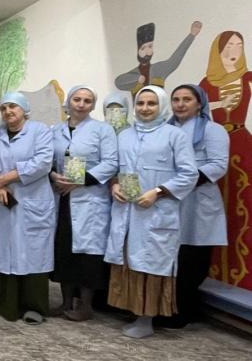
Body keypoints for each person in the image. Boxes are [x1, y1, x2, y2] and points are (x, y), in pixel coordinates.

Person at [105, 86, 197, 338]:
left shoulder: (174, 135)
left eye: (151, 104)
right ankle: (135, 314)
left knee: (150, 265)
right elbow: (114, 167)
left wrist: (157, 191)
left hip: (156, 213)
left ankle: (146, 321)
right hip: (126, 211)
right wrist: (114, 185)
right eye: (141, 103)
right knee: (129, 262)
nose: (145, 108)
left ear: (162, 106)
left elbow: (189, 174)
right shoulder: (124, 135)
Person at [157, 84, 228, 328]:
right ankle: (167, 307)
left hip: (197, 200)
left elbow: (218, 165)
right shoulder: (164, 130)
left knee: (192, 259)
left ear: (200, 103)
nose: (180, 104)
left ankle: (183, 311)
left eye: (187, 99)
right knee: (169, 256)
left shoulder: (212, 130)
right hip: (168, 198)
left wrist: (181, 182)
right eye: (176, 99)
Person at [0, 92, 54, 324]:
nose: (8, 112)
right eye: (3, 108)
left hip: (32, 202)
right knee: (3, 252)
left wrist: (4, 179)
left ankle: (34, 307)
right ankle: (7, 305)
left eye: (13, 106)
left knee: (33, 253)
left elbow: (43, 162)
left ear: (24, 109)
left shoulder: (40, 131)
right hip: (1, 201)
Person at [49, 85, 118, 321]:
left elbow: (111, 163)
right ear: (68, 102)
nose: (81, 104)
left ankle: (86, 306)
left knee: (88, 254)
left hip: (90, 199)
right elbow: (48, 160)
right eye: (77, 99)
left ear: (93, 105)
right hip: (62, 198)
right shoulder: (56, 130)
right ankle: (65, 302)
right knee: (64, 250)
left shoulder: (103, 130)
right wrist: (53, 175)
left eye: (87, 101)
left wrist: (81, 181)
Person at [198, 30, 252, 289]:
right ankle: (216, 269)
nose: (235, 49)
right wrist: (220, 104)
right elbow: (197, 109)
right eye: (230, 45)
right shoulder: (207, 82)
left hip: (242, 143)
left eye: (239, 45)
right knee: (216, 205)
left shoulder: (248, 78)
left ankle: (244, 272)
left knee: (244, 203)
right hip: (214, 145)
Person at [115, 21, 202, 96]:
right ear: (138, 51)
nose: (147, 51)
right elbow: (118, 82)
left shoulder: (159, 69)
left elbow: (175, 60)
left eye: (150, 47)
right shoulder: (133, 74)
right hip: (140, 110)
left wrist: (192, 35)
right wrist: (137, 78)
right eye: (143, 48)